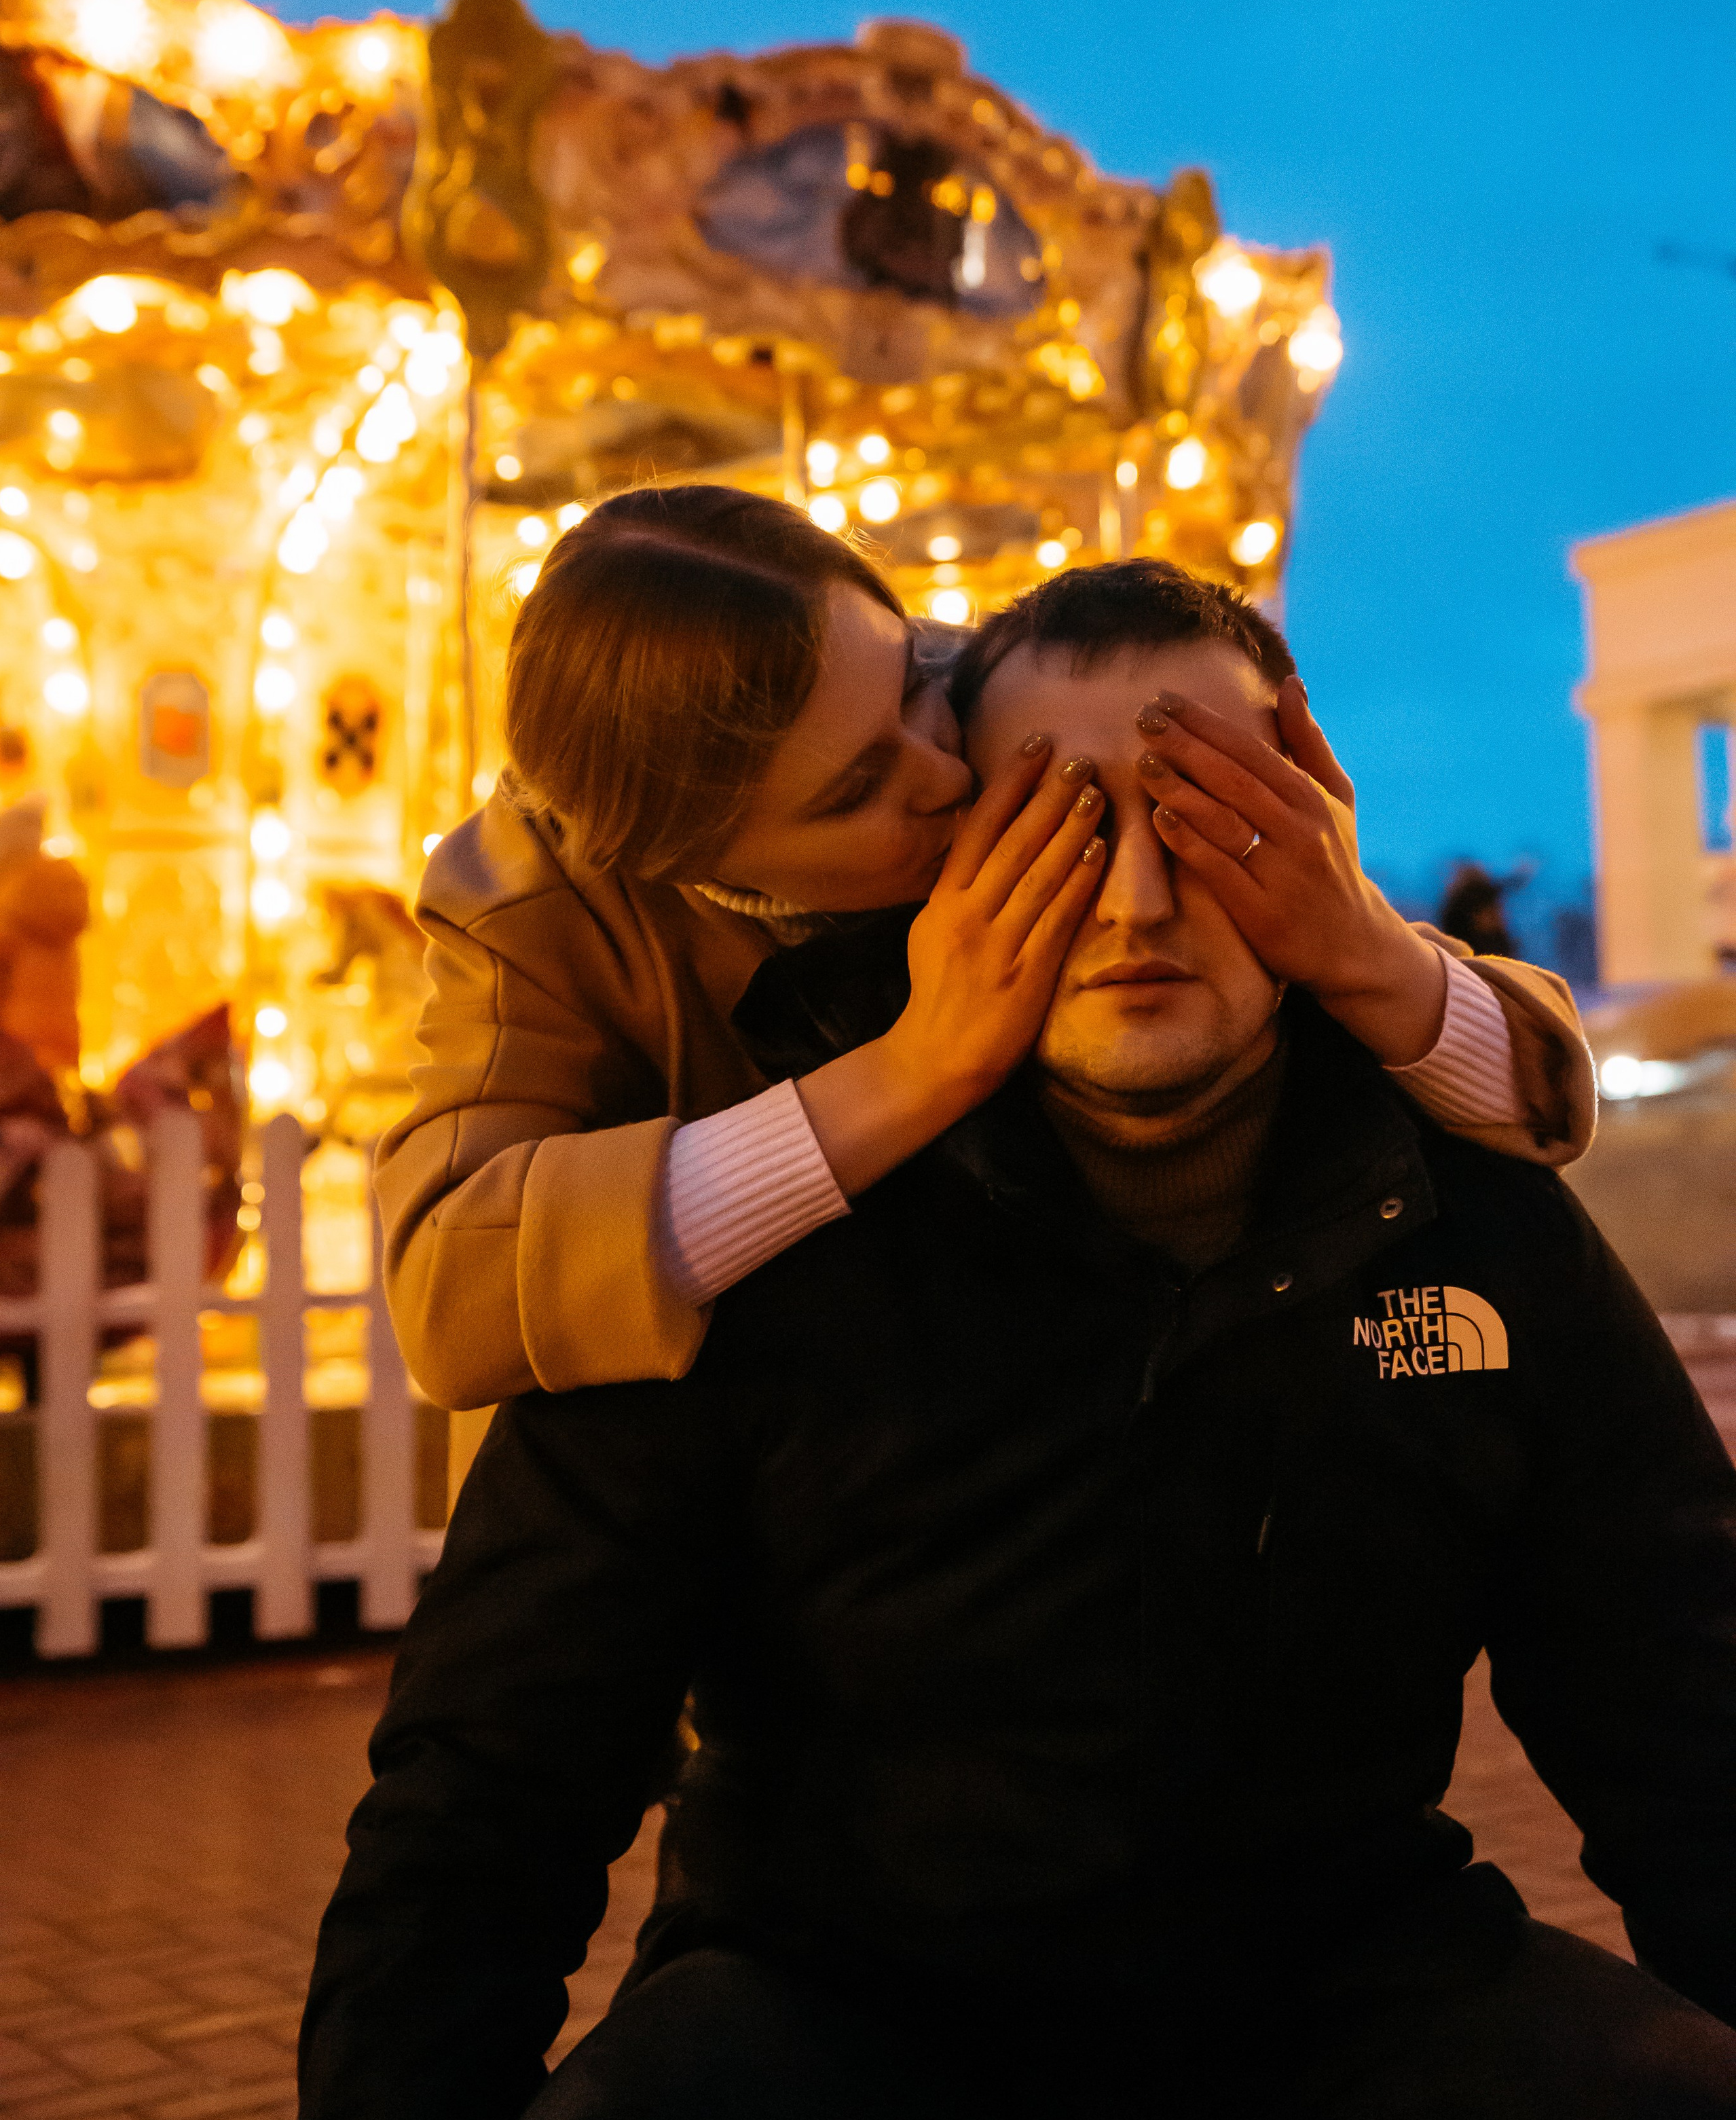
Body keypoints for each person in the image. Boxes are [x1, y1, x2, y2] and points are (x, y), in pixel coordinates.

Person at [298, 562, 1736, 2120]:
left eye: (1203, 818)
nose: (1128, 903)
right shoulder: (742, 1242)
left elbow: (1680, 1697)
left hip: (1353, 1991)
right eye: (1045, 834)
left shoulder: (1460, 1226)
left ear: (1314, 833)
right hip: (830, 2012)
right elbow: (494, 1785)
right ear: (936, 870)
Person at [375, 487, 1592, 1476]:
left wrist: (1366, 946)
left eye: (911, 683)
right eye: (855, 790)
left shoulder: (999, 708)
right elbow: (453, 1289)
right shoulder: (542, 893)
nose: (947, 780)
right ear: (686, 862)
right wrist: (916, 1070)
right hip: (757, 1485)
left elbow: (1545, 1102)